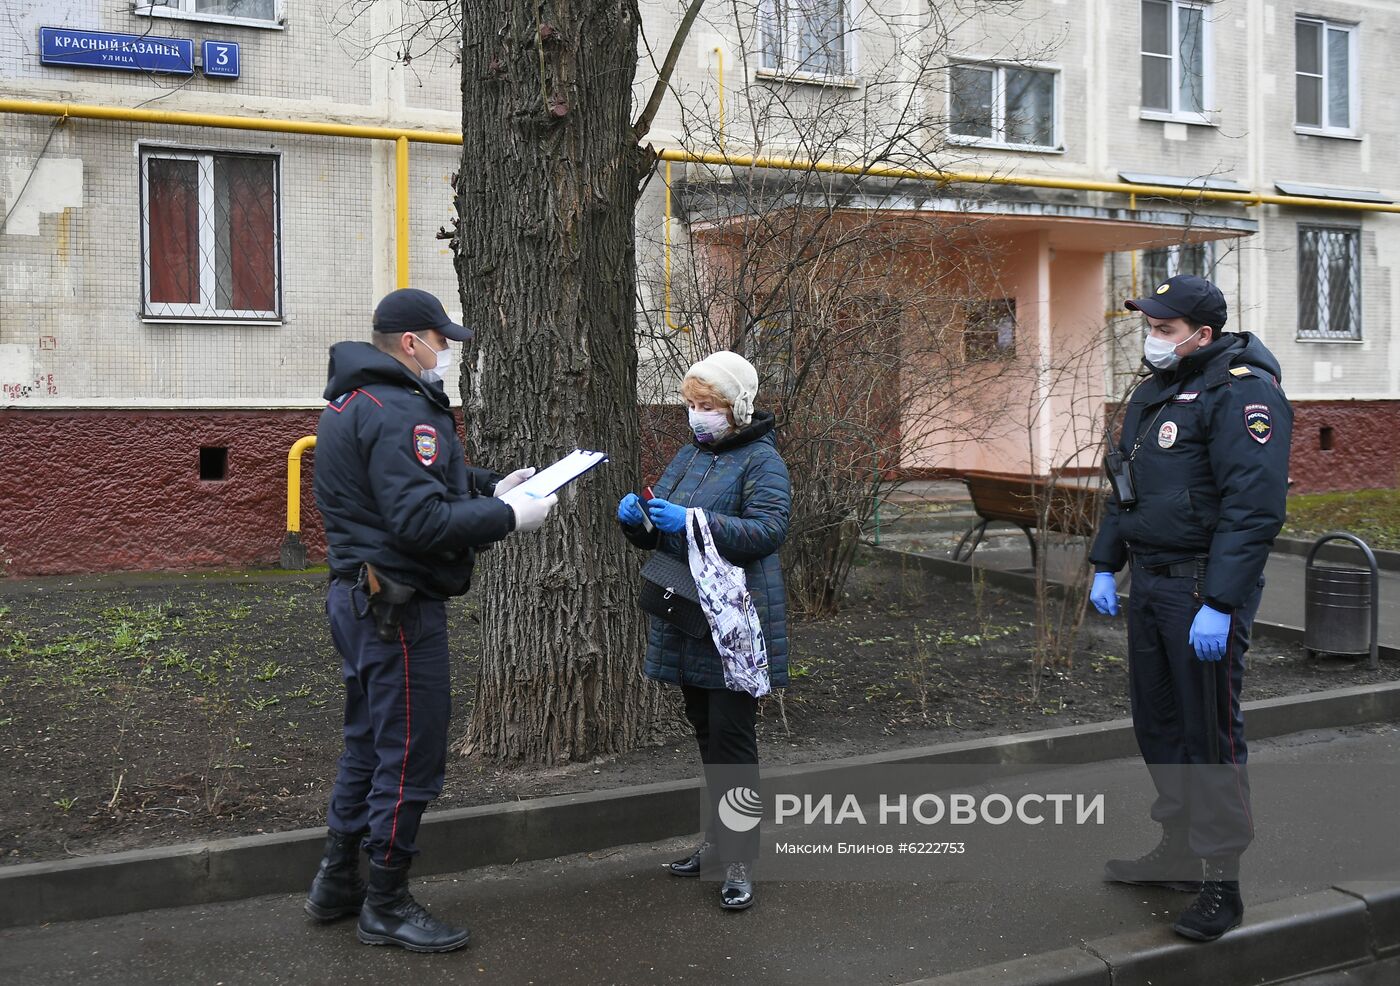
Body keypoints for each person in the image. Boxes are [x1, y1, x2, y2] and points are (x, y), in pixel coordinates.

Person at [304, 287, 557, 952]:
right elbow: (417, 520)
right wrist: (509, 516)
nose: (447, 352)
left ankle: (337, 882)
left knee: (367, 743)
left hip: (357, 599)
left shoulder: (354, 399)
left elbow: (404, 483)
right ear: (411, 342)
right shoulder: (398, 410)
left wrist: (485, 487)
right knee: (411, 756)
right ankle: (384, 902)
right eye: (441, 340)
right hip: (397, 609)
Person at [1088, 273, 1292, 943]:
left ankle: (1222, 883)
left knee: (1210, 735)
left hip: (1204, 589)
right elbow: (1127, 483)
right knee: (1161, 724)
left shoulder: (1242, 393)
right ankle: (1176, 852)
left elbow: (1252, 507)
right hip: (1151, 583)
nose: (1151, 339)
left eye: (1164, 329)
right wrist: (1104, 562)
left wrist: (1224, 602)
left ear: (1201, 334)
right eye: (1149, 327)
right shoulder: (1154, 392)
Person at [616, 351, 791, 911]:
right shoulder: (690, 456)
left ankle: (739, 858)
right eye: (691, 404)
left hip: (733, 622)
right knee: (706, 736)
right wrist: (640, 524)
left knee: (733, 742)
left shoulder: (763, 461)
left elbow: (767, 530)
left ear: (736, 407)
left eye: (708, 405)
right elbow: (665, 532)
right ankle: (716, 842)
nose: (697, 415)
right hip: (688, 615)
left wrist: (691, 521)